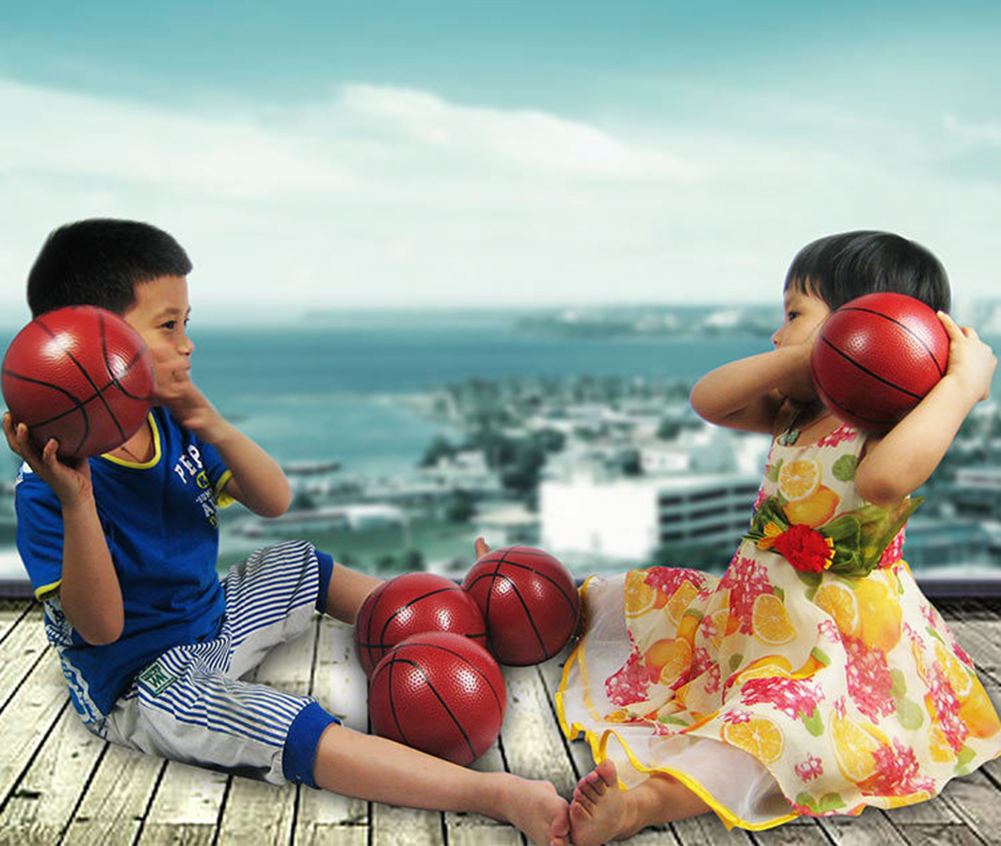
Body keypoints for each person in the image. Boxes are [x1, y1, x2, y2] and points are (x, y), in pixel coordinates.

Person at [6, 218, 570, 846]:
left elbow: (274, 499)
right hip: (146, 682)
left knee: (295, 561)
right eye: (169, 325)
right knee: (282, 722)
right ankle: (492, 793)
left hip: (211, 618)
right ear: (94, 346)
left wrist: (210, 422)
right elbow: (102, 628)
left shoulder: (171, 424)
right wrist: (78, 500)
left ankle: (463, 626)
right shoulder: (47, 493)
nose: (188, 344)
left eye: (186, 322)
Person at [556, 230, 1001, 841]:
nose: (776, 332)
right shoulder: (798, 409)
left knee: (777, 727)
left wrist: (961, 386)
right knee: (635, 597)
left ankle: (643, 805)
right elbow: (708, 399)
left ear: (870, 326)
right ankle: (523, 598)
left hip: (835, 649)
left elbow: (882, 481)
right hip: (749, 619)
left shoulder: (887, 426)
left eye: (794, 314)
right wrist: (803, 357)